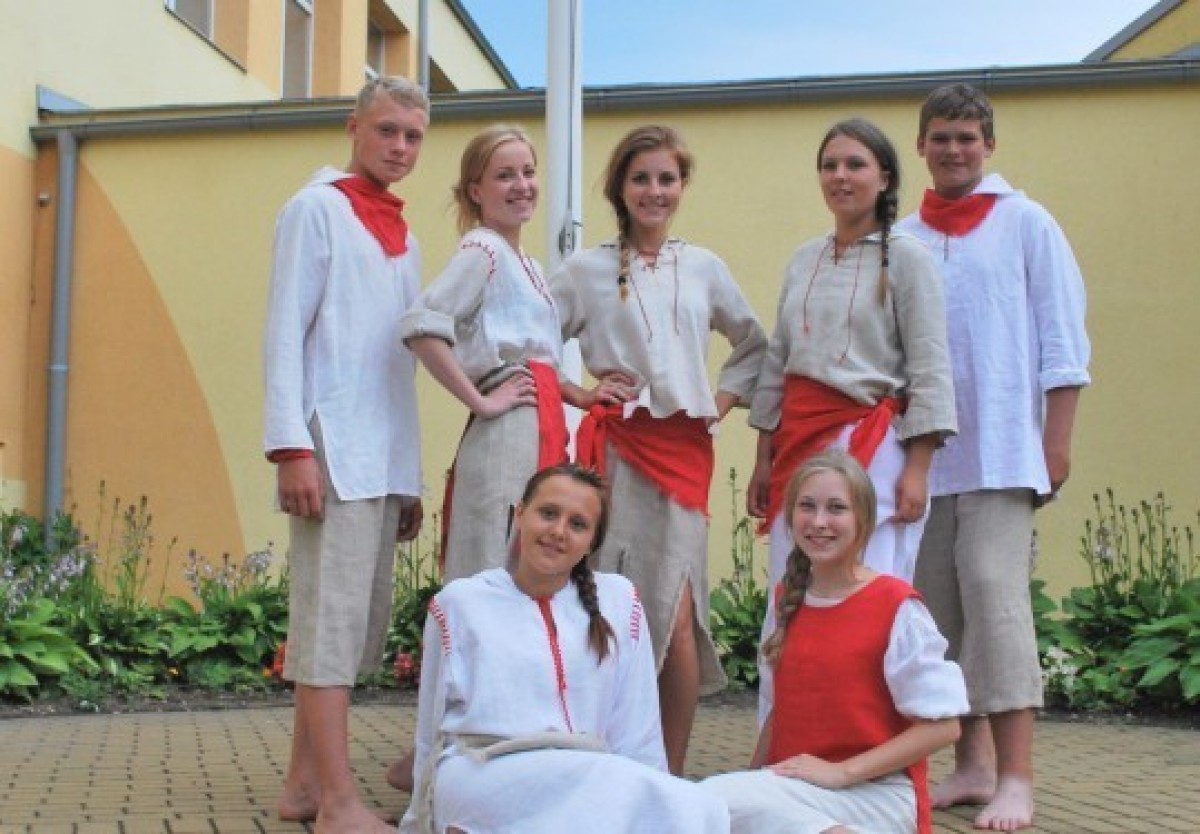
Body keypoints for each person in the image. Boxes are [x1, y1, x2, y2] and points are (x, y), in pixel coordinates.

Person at [895, 83, 1091, 832]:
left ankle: (1016, 777)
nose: (954, 149)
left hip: (1005, 453)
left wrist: (1055, 441)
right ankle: (970, 765)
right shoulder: (903, 237)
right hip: (923, 457)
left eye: (967, 137)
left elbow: (1062, 339)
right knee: (937, 611)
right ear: (921, 145)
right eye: (941, 137)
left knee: (995, 599)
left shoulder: (1026, 223)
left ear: (989, 145)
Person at [549, 124, 767, 775]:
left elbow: (754, 344)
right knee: (613, 603)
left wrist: (719, 400)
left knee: (676, 613)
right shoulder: (585, 270)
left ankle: (666, 773)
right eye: (640, 178)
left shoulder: (703, 266)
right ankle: (608, 760)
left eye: (666, 179)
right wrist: (580, 393)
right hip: (616, 455)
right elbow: (528, 339)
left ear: (682, 185)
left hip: (684, 457)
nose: (654, 191)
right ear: (620, 187)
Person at [748, 117, 956, 723]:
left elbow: (930, 366)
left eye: (855, 164)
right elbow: (779, 360)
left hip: (872, 447)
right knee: (789, 592)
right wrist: (763, 458)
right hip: (798, 450)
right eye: (830, 165)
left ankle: (868, 740)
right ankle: (781, 736)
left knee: (868, 592)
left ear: (884, 176)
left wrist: (917, 468)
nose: (840, 176)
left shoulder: (909, 259)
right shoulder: (803, 259)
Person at [262, 76, 428, 834]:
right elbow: (283, 332)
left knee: (354, 628)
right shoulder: (315, 209)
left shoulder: (406, 236)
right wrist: (290, 447)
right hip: (329, 444)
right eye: (387, 130)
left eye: (413, 136)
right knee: (327, 625)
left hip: (380, 455)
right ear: (353, 127)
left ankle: (302, 787)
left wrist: (407, 477)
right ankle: (337, 803)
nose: (400, 146)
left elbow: (397, 364)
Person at [398, 464, 730, 833]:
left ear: (591, 541)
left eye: (577, 524)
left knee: (688, 804)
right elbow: (430, 728)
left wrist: (652, 792)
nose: (558, 531)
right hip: (483, 771)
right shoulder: (461, 602)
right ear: (520, 515)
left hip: (587, 774)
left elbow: (638, 730)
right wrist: (418, 820)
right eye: (548, 513)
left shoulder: (619, 601)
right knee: (606, 794)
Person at [702, 450, 967, 834]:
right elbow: (780, 713)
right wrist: (753, 780)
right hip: (799, 788)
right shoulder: (786, 599)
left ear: (863, 520)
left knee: (709, 801)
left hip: (876, 794)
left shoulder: (896, 605)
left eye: (836, 508)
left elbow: (944, 726)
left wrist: (842, 772)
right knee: (717, 810)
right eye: (807, 507)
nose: (819, 522)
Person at [399, 124, 568, 581]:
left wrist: (584, 396)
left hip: (538, 422)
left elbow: (536, 355)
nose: (522, 185)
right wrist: (481, 401)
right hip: (508, 431)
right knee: (497, 557)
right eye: (504, 175)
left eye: (528, 172)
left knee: (525, 563)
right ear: (476, 190)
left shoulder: (528, 263)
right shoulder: (484, 249)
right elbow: (422, 326)